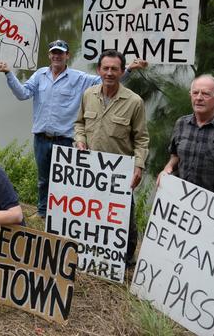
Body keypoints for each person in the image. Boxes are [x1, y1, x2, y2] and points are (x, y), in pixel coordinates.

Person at [0, 39, 148, 219]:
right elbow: (22, 94)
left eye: (61, 53)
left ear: (68, 56)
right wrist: (8, 73)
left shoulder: (79, 78)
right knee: (43, 179)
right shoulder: (39, 75)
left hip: (66, 140)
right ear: (49, 55)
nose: (57, 56)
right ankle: (43, 211)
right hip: (41, 138)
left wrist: (130, 68)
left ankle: (63, 214)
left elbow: (107, 78)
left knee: (67, 182)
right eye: (54, 52)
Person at [158, 74, 214, 330]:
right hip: (186, 206)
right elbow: (175, 155)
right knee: (190, 255)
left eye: (206, 94)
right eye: (196, 93)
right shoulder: (181, 124)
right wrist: (167, 169)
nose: (199, 98)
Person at [74, 49, 149, 265]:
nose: (109, 73)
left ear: (123, 71)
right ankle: (92, 250)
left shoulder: (134, 102)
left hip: (118, 173)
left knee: (124, 218)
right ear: (98, 70)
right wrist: (80, 140)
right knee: (89, 211)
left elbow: (142, 139)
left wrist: (139, 166)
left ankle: (126, 260)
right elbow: (79, 123)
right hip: (90, 170)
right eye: (105, 68)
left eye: (114, 69)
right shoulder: (88, 95)